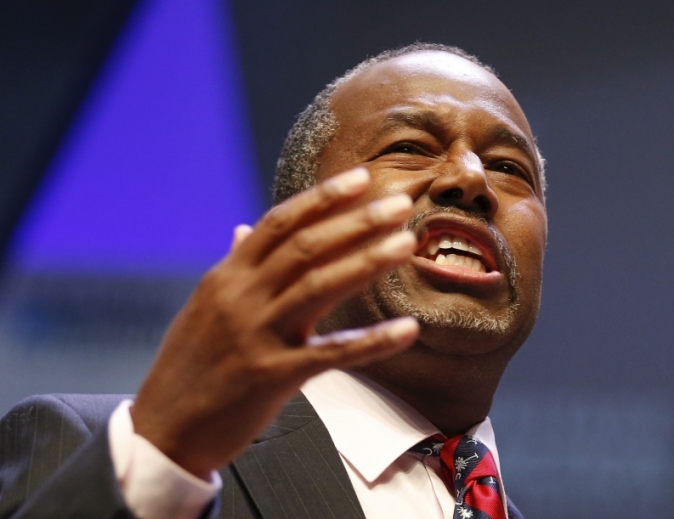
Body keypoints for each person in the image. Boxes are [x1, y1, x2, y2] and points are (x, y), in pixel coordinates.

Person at [0, 43, 547, 519]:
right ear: (299, 220)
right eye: (409, 148)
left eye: (508, 167)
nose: (471, 178)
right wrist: (164, 455)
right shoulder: (107, 452)